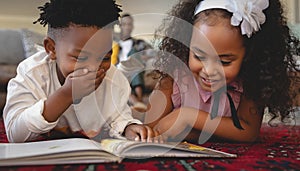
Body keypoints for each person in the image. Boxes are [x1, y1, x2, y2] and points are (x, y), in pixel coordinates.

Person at [3, 0, 159, 143]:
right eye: (81, 58)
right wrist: (65, 95)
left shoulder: (114, 80)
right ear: (51, 49)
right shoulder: (31, 74)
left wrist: (129, 128)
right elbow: (15, 134)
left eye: (105, 58)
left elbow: (118, 119)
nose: (94, 68)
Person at [144, 0, 300, 143]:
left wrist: (189, 117)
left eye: (224, 62)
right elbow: (150, 128)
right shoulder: (172, 78)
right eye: (199, 56)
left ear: (249, 56)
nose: (209, 70)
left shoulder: (251, 83)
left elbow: (248, 132)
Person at [114, 13, 151, 111]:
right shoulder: (114, 42)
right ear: (120, 26)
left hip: (134, 68)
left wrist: (142, 57)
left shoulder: (138, 43)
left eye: (129, 24)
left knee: (134, 59)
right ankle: (137, 102)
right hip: (118, 70)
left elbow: (153, 54)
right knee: (119, 75)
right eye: (124, 24)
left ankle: (138, 100)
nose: (127, 27)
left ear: (132, 26)